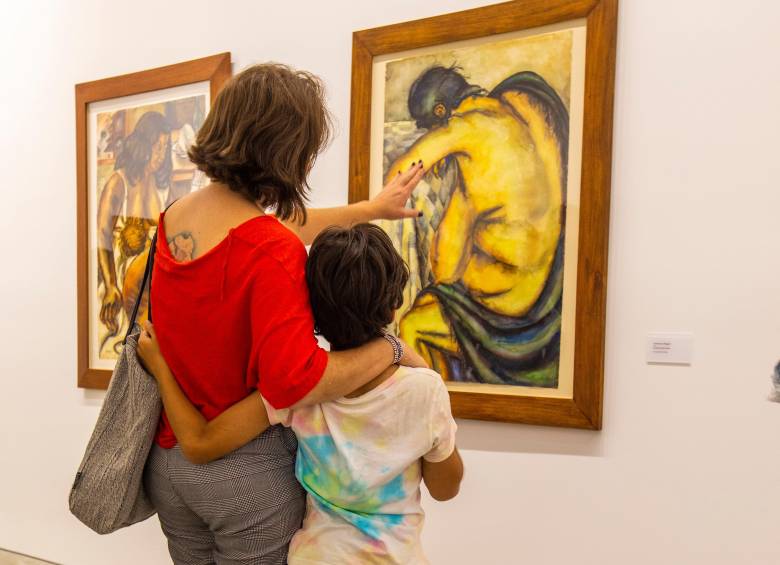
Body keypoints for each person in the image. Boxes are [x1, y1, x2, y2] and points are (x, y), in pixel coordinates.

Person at [139, 63, 427, 564]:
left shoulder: (175, 219)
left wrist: (371, 208)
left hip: (171, 467)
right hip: (242, 477)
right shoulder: (271, 249)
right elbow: (297, 380)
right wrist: (389, 348)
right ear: (287, 149)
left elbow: (274, 229)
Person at [139, 223, 464, 564]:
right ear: (393, 306)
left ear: (311, 308)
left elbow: (200, 443)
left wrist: (162, 368)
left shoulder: (299, 387)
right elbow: (445, 489)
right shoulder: (423, 391)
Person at [387, 67, 569, 387]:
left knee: (414, 323)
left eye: (432, 128)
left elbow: (398, 176)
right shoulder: (520, 108)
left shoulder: (465, 125)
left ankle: (432, 419)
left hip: (505, 298)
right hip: (543, 288)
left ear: (442, 112)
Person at [96, 111, 172, 337]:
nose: (161, 154)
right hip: (119, 283)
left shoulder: (161, 190)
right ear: (143, 145)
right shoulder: (118, 183)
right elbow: (102, 234)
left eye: (165, 148)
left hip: (150, 289)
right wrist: (110, 285)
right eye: (157, 146)